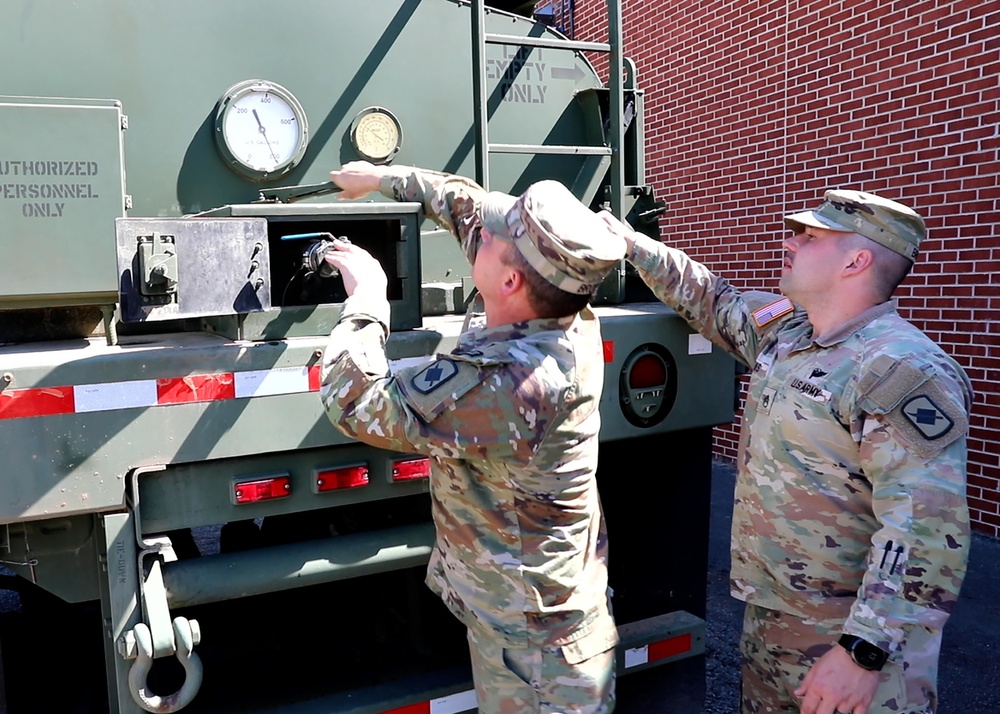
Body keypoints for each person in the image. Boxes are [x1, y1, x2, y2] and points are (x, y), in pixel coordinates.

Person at [602, 190, 973, 714]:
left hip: (852, 645)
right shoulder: (789, 329)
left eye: (811, 235)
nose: (790, 241)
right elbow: (713, 299)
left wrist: (863, 653)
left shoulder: (899, 370)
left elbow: (925, 530)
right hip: (772, 620)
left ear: (857, 260)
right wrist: (632, 244)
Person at [318, 161, 627, 713]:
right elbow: (468, 206)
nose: (481, 229)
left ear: (509, 280)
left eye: (494, 235)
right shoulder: (558, 302)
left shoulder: (515, 384)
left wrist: (368, 298)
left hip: (538, 656)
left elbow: (355, 401)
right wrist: (380, 179)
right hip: (529, 621)